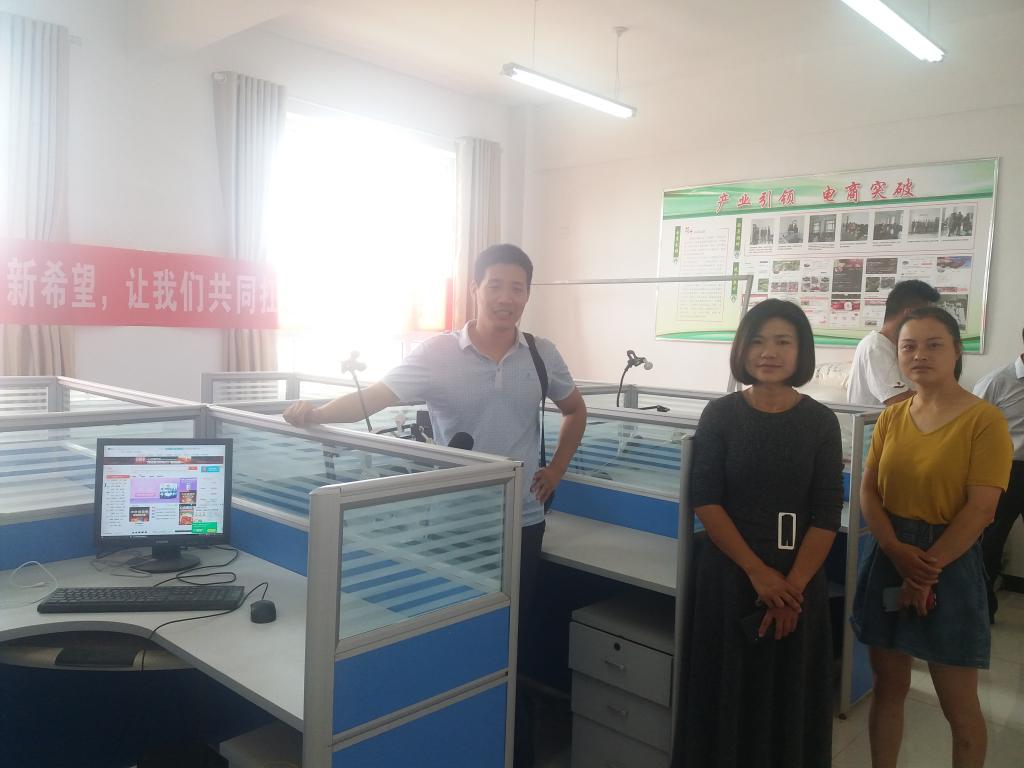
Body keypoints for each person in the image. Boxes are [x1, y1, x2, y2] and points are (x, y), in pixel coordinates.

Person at [283, 243, 588, 767]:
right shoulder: (437, 354)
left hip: (520, 523)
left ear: (527, 295)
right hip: (453, 526)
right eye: (495, 285)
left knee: (510, 645)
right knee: (455, 641)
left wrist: (557, 469)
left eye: (517, 288)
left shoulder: (541, 354)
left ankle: (513, 752)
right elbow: (372, 398)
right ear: (475, 289)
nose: (506, 298)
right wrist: (317, 413)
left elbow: (574, 410)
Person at [680, 298, 844, 768]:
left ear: (801, 351)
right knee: (727, 694)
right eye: (757, 341)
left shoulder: (821, 421)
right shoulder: (720, 414)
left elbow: (826, 512)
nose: (769, 352)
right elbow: (705, 499)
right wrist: (758, 573)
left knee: (789, 696)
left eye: (782, 341)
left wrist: (790, 590)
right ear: (742, 349)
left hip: (799, 580)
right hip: (732, 574)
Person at [850, 307, 1012, 768]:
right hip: (889, 553)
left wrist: (922, 574)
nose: (919, 354)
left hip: (950, 561)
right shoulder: (892, 417)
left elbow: (981, 509)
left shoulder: (985, 420)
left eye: (933, 344)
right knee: (888, 686)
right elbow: (869, 490)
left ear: (957, 352)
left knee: (958, 705)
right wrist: (895, 550)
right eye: (909, 346)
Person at [973, 325, 1024, 623]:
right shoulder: (997, 382)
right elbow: (971, 427)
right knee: (991, 541)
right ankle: (982, 608)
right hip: (1007, 470)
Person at [847, 279, 940, 406]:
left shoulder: (904, 347)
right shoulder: (875, 346)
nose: (930, 323)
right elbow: (897, 400)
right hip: (877, 419)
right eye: (927, 316)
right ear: (909, 314)